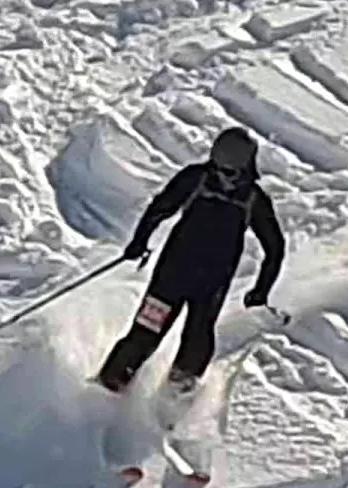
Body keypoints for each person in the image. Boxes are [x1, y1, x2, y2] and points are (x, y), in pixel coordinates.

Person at [96, 126, 285, 395]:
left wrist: (261, 289)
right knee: (145, 331)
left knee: (197, 340)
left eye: (229, 172)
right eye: (216, 167)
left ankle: (174, 397)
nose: (221, 176)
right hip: (172, 274)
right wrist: (139, 240)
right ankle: (109, 385)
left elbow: (275, 248)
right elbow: (160, 207)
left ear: (246, 169)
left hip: (211, 285)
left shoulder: (254, 201)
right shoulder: (196, 179)